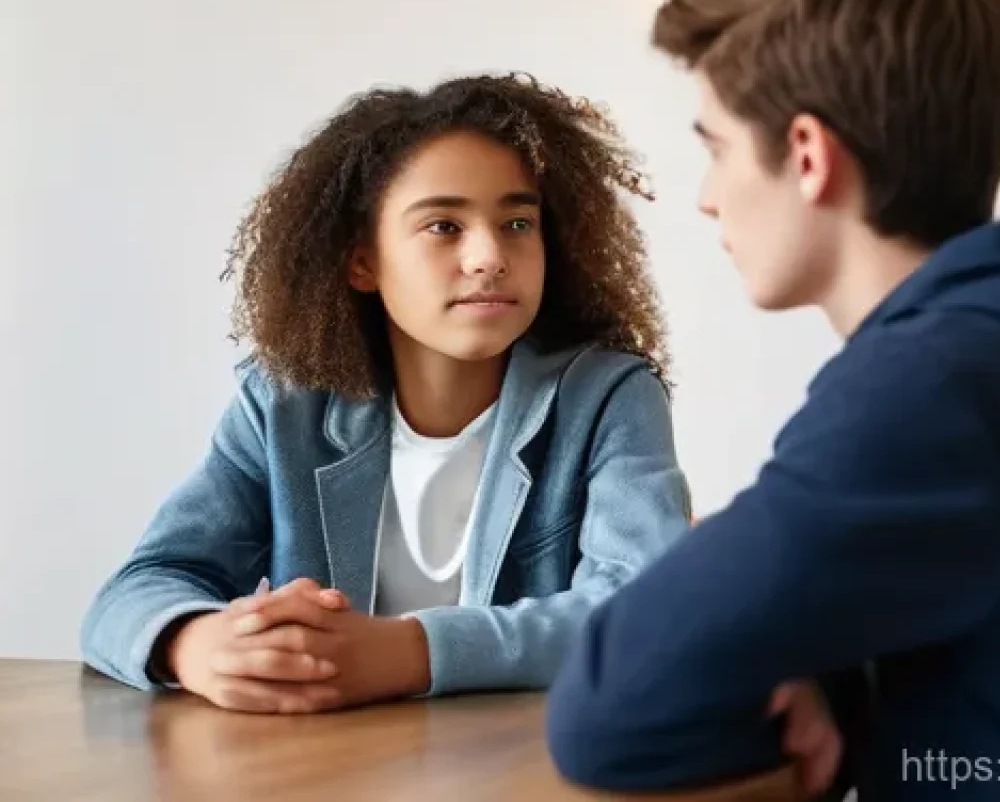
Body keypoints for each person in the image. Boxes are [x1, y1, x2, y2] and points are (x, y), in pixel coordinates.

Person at [545, 0, 1000, 800]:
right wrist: (823, 672)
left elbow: (607, 706)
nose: (706, 198)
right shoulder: (992, 341)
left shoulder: (927, 390)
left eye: (717, 150)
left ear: (808, 156)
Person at [80, 73, 691, 713]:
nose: (488, 255)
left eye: (517, 222)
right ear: (362, 262)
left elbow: (647, 613)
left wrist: (405, 652)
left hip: (533, 753)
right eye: (444, 226)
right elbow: (133, 592)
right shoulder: (283, 405)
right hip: (328, 757)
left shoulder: (609, 395)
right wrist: (195, 643)